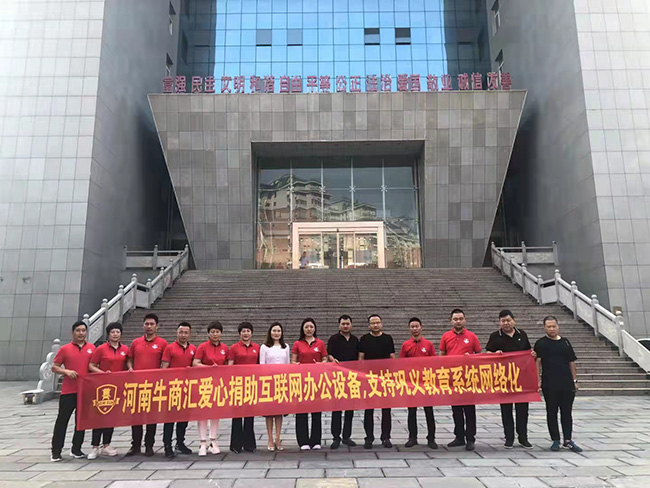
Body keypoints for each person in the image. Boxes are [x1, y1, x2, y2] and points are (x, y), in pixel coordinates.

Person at [485, 309, 533, 449]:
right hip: (504, 378)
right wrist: (495, 354)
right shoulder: (495, 336)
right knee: (506, 410)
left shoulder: (522, 334)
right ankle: (509, 438)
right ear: (499, 322)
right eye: (503, 321)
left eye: (508, 320)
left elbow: (528, 352)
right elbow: (488, 353)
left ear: (513, 320)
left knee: (522, 409)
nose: (506, 323)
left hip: (521, 378)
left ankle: (523, 437)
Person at [534, 315, 582, 453]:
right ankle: (555, 439)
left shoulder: (565, 342)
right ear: (544, 328)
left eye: (553, 326)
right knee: (552, 411)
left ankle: (568, 440)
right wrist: (537, 380)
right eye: (548, 326)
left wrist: (575, 380)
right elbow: (537, 363)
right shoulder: (541, 343)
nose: (551, 329)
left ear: (558, 326)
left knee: (567, 412)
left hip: (566, 382)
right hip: (549, 383)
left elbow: (571, 362)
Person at [50, 320, 96, 462]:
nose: (81, 333)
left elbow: (94, 366)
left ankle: (76, 449)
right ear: (73, 332)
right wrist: (66, 371)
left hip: (85, 391)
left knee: (81, 422)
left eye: (83, 330)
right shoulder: (65, 349)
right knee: (62, 421)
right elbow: (54, 367)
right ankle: (56, 451)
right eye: (78, 330)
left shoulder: (92, 348)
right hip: (69, 391)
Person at [126, 313, 168, 457]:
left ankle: (149, 445)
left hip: (153, 386)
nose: (149, 326)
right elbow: (130, 359)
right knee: (136, 417)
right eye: (147, 324)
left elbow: (165, 363)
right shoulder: (136, 342)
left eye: (152, 324)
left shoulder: (162, 343)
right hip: (137, 385)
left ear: (157, 326)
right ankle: (135, 445)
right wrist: (130, 368)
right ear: (143, 326)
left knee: (152, 417)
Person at [439, 308, 481, 451]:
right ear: (451, 321)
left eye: (461, 319)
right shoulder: (446, 336)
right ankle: (459, 436)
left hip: (468, 378)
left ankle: (470, 438)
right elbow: (442, 355)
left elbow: (479, 354)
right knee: (456, 409)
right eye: (455, 319)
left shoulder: (472, 336)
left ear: (465, 320)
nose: (458, 321)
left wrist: (472, 358)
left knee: (469, 410)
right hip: (453, 379)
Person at [87, 321, 128, 459]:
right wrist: (103, 373)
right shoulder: (101, 349)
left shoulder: (125, 349)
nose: (115, 334)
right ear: (108, 334)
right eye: (112, 332)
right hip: (102, 387)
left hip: (117, 387)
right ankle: (95, 446)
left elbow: (128, 363)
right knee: (100, 415)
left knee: (111, 417)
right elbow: (91, 365)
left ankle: (106, 445)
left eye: (118, 332)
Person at [399, 317, 438, 449]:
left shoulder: (428, 344)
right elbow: (401, 364)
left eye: (417, 326)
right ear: (409, 329)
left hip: (426, 382)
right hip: (412, 383)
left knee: (429, 411)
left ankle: (431, 438)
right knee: (412, 411)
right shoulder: (405, 345)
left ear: (421, 327)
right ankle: (412, 437)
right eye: (412, 326)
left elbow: (434, 362)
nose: (415, 329)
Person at [358, 314, 395, 449]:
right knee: (369, 410)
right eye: (373, 323)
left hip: (385, 378)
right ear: (369, 325)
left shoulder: (388, 338)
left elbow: (392, 357)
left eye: (377, 322)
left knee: (386, 409)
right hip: (369, 379)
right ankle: (369, 438)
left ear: (381, 324)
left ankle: (386, 437)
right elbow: (361, 358)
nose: (375, 325)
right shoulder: (364, 339)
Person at [291, 318, 328, 450]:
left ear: (315, 328)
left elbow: (325, 358)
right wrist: (295, 365)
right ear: (302, 329)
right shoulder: (297, 343)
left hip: (316, 381)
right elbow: (293, 361)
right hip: (301, 381)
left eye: (311, 327)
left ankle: (316, 440)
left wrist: (321, 364)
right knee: (301, 411)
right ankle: (303, 441)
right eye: (306, 327)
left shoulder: (320, 343)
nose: (309, 329)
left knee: (316, 411)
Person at [193, 321, 229, 456]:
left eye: (217, 332)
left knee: (215, 413)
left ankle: (213, 440)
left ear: (221, 333)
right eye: (212, 332)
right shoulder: (202, 347)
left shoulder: (224, 348)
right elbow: (195, 363)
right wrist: (209, 368)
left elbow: (227, 364)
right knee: (203, 412)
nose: (215, 334)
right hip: (204, 383)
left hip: (218, 384)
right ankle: (202, 442)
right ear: (208, 333)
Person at [161, 321, 196, 458]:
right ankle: (167, 445)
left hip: (186, 389)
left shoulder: (193, 348)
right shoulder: (170, 348)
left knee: (183, 418)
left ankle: (180, 443)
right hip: (172, 388)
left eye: (186, 332)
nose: (183, 335)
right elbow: (164, 368)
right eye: (181, 332)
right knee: (170, 419)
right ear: (177, 333)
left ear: (190, 334)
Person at [227, 321, 260, 453]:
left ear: (251, 333)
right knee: (237, 415)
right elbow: (230, 366)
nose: (246, 333)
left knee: (249, 415)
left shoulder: (256, 347)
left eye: (248, 331)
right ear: (239, 333)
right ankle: (236, 445)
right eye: (243, 331)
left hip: (252, 384)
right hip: (237, 384)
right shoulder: (234, 348)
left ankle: (249, 444)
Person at [327, 314, 358, 449]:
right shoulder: (333, 339)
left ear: (351, 325)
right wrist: (332, 359)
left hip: (351, 378)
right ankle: (336, 437)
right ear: (339, 325)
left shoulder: (355, 340)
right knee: (337, 408)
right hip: (338, 377)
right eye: (343, 324)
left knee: (350, 409)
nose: (345, 326)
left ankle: (346, 436)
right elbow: (329, 354)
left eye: (347, 324)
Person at [260, 322, 290, 451]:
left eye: (278, 331)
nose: (276, 333)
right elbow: (262, 365)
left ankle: (278, 438)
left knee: (279, 412)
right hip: (268, 382)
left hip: (281, 383)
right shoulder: (264, 347)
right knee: (269, 413)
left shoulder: (286, 347)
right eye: (274, 330)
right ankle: (270, 439)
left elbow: (288, 365)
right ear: (270, 332)